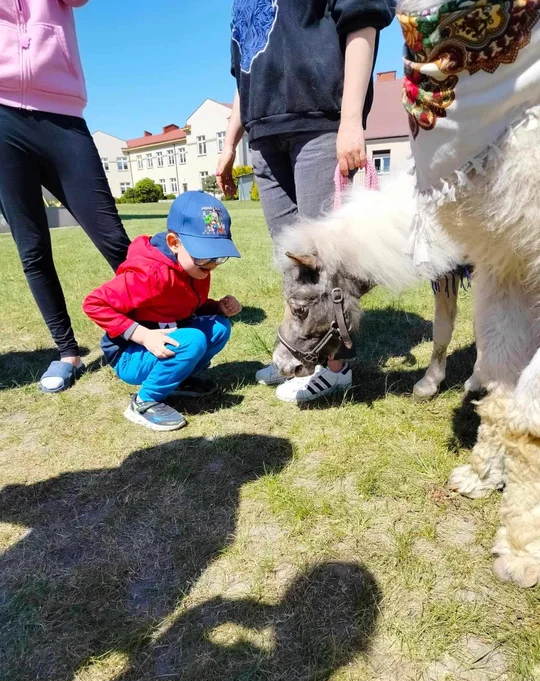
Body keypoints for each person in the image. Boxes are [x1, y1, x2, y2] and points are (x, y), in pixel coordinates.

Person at [217, 0, 395, 403]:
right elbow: (247, 65)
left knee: (330, 263)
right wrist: (231, 142)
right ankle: (302, 355)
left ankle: (337, 369)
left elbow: (362, 20)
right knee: (295, 264)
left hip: (319, 121)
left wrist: (351, 120)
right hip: (263, 135)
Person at [0, 0, 130, 393]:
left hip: (62, 116)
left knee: (113, 238)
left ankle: (160, 324)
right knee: (32, 247)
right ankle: (67, 351)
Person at [83, 192, 242, 432]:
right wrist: (144, 335)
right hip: (130, 354)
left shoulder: (194, 269)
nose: (211, 266)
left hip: (166, 338)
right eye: (204, 256)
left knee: (219, 327)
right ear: (174, 243)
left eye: (218, 257)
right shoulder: (149, 274)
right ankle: (144, 402)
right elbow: (94, 303)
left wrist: (216, 307)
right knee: (193, 340)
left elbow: (185, 305)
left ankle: (178, 379)